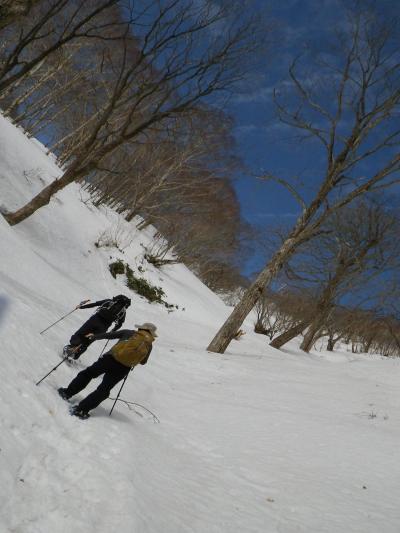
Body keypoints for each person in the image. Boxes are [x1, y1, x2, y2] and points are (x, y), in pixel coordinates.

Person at [58, 322, 157, 419]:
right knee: (104, 389)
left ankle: (67, 393)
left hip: (109, 359)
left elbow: (109, 335)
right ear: (151, 334)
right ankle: (81, 410)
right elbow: (143, 362)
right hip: (123, 369)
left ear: (141, 329)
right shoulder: (149, 345)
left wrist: (94, 336)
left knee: (88, 374)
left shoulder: (129, 333)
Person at [63, 294, 131, 360]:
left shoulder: (109, 301)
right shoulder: (123, 312)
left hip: (95, 320)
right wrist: (113, 331)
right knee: (89, 340)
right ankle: (76, 354)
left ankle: (71, 348)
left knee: (81, 333)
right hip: (104, 327)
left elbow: (95, 304)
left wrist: (81, 307)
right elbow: (119, 324)